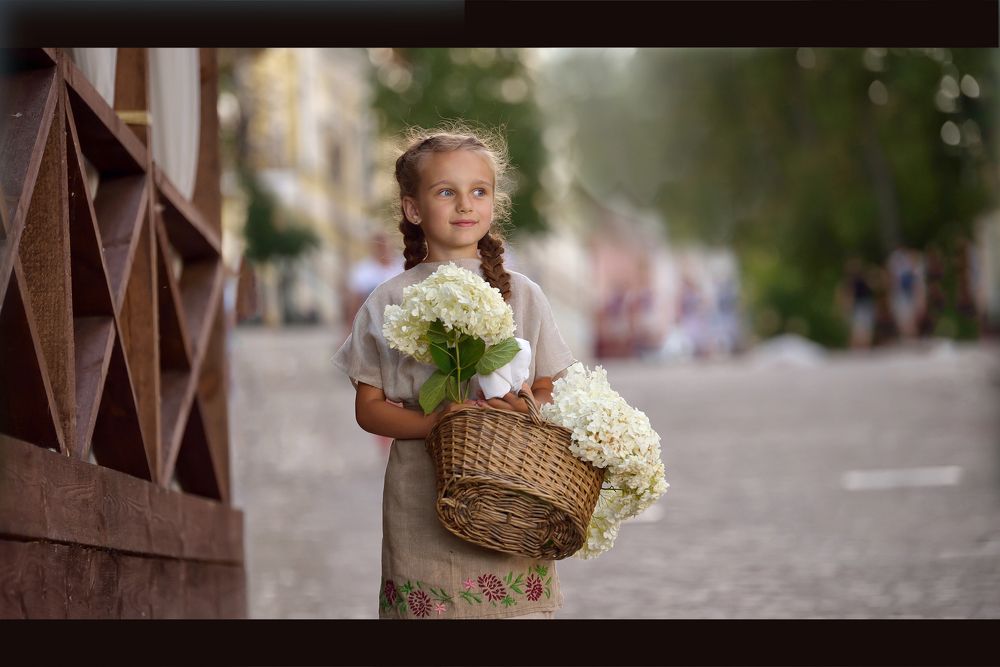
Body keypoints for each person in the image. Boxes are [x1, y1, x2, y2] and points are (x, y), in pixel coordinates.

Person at [331, 126, 575, 619]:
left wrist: (524, 407)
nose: (465, 205)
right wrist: (434, 421)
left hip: (510, 496)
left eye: (478, 191)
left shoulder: (522, 294)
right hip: (421, 499)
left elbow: (553, 389)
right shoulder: (388, 301)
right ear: (413, 208)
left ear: (492, 203)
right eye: (446, 192)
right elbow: (369, 408)